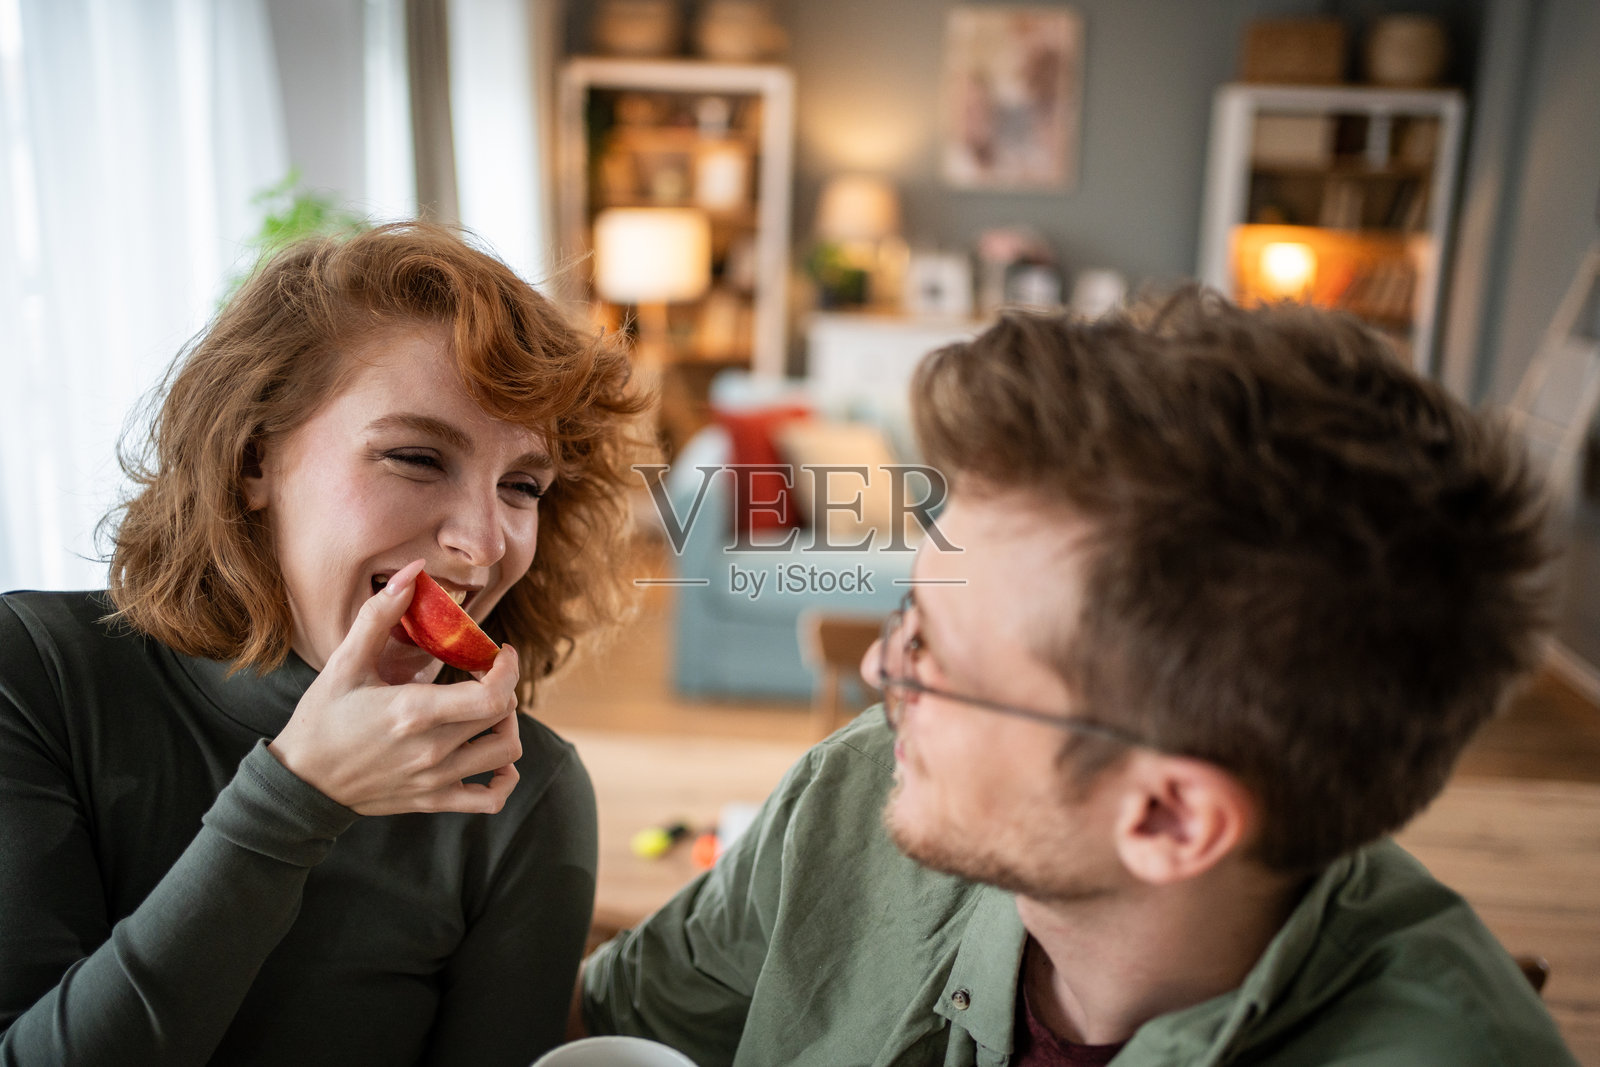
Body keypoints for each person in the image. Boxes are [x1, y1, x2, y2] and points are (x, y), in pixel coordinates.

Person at [576, 291, 1579, 1065]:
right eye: (904, 619)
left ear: (1167, 818)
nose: (880, 666)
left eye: (935, 654)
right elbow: (610, 1019)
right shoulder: (846, 801)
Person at [0, 222, 644, 1064]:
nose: (484, 545)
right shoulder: (36, 673)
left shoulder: (525, 794)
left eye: (521, 485)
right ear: (251, 460)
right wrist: (295, 796)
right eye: (417, 457)